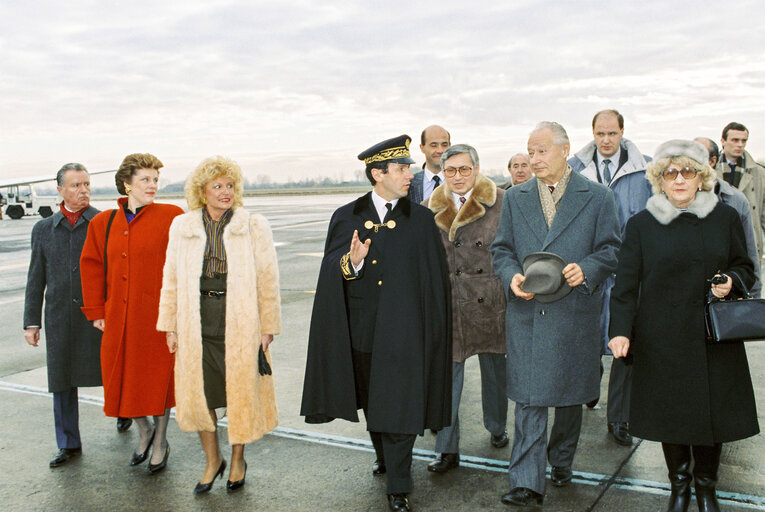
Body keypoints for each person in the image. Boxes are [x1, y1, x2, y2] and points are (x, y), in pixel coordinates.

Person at [300, 134, 451, 512]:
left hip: (405, 334)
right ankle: (384, 457)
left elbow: (433, 281)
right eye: (401, 169)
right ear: (377, 173)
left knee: (399, 405)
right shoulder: (347, 216)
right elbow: (332, 268)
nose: (408, 176)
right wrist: (352, 263)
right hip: (363, 331)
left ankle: (398, 485)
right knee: (372, 399)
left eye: (408, 169)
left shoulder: (420, 220)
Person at [609, 139, 759, 512]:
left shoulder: (723, 217)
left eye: (687, 171)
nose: (679, 179)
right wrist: (620, 331)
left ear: (701, 177)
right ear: (659, 179)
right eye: (670, 172)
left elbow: (745, 266)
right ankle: (679, 486)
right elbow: (625, 286)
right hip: (661, 337)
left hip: (712, 336)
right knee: (671, 416)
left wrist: (731, 281)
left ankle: (706, 489)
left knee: (714, 417)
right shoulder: (642, 224)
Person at [491, 122, 620, 507]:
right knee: (529, 400)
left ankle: (561, 460)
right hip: (528, 313)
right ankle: (526, 482)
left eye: (541, 150)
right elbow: (502, 250)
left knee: (568, 398)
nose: (534, 159)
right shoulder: (515, 198)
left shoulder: (598, 197)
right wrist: (510, 275)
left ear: (565, 150)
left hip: (574, 313)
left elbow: (612, 249)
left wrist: (589, 269)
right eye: (530, 151)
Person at [157, 156, 280, 494]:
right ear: (202, 191)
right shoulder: (182, 227)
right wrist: (169, 324)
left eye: (229, 186)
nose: (225, 192)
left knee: (239, 392)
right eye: (218, 186)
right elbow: (170, 278)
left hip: (239, 319)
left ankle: (237, 457)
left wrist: (267, 325)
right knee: (201, 395)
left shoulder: (253, 225)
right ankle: (213, 460)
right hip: (196, 320)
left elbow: (268, 280)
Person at [80, 153, 183, 473]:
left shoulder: (172, 216)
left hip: (157, 318)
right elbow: (91, 267)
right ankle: (145, 430)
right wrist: (96, 310)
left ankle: (161, 441)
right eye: (145, 180)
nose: (153, 186)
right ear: (127, 184)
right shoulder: (102, 222)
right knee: (120, 379)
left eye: (155, 180)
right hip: (117, 319)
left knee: (159, 381)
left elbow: (184, 263)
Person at [569, 109, 653, 446]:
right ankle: (590, 384)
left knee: (624, 341)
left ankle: (619, 418)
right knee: (586, 336)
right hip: (586, 267)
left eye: (612, 134)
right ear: (592, 133)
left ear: (622, 133)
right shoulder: (574, 170)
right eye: (600, 134)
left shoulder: (645, 169)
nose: (606, 141)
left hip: (628, 268)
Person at [424, 144, 508, 474]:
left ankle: (497, 426)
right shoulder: (427, 208)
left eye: (464, 169)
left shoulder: (501, 201)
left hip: (489, 298)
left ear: (476, 168)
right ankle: (446, 450)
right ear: (442, 173)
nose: (458, 177)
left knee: (495, 372)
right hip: (450, 303)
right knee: (447, 379)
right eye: (451, 171)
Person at [23, 163, 103, 467]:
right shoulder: (43, 229)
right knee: (62, 380)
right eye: (75, 185)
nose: (82, 191)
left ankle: (126, 415)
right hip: (59, 317)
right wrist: (32, 322)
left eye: (86, 184)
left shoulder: (103, 222)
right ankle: (68, 443)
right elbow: (35, 279)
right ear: (60, 191)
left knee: (111, 370)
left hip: (97, 316)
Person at [696, 136, 761, 297]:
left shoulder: (735, 201)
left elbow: (748, 255)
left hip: (723, 299)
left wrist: (752, 297)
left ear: (712, 161)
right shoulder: (675, 201)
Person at [715, 122, 765, 258]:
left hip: (749, 239)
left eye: (744, 140)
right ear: (723, 141)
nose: (740, 145)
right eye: (735, 140)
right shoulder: (710, 171)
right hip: (719, 239)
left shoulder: (759, 173)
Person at [408, 125, 450, 204]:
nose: (440, 150)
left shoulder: (461, 183)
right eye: (433, 145)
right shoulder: (409, 185)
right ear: (422, 148)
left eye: (444, 145)